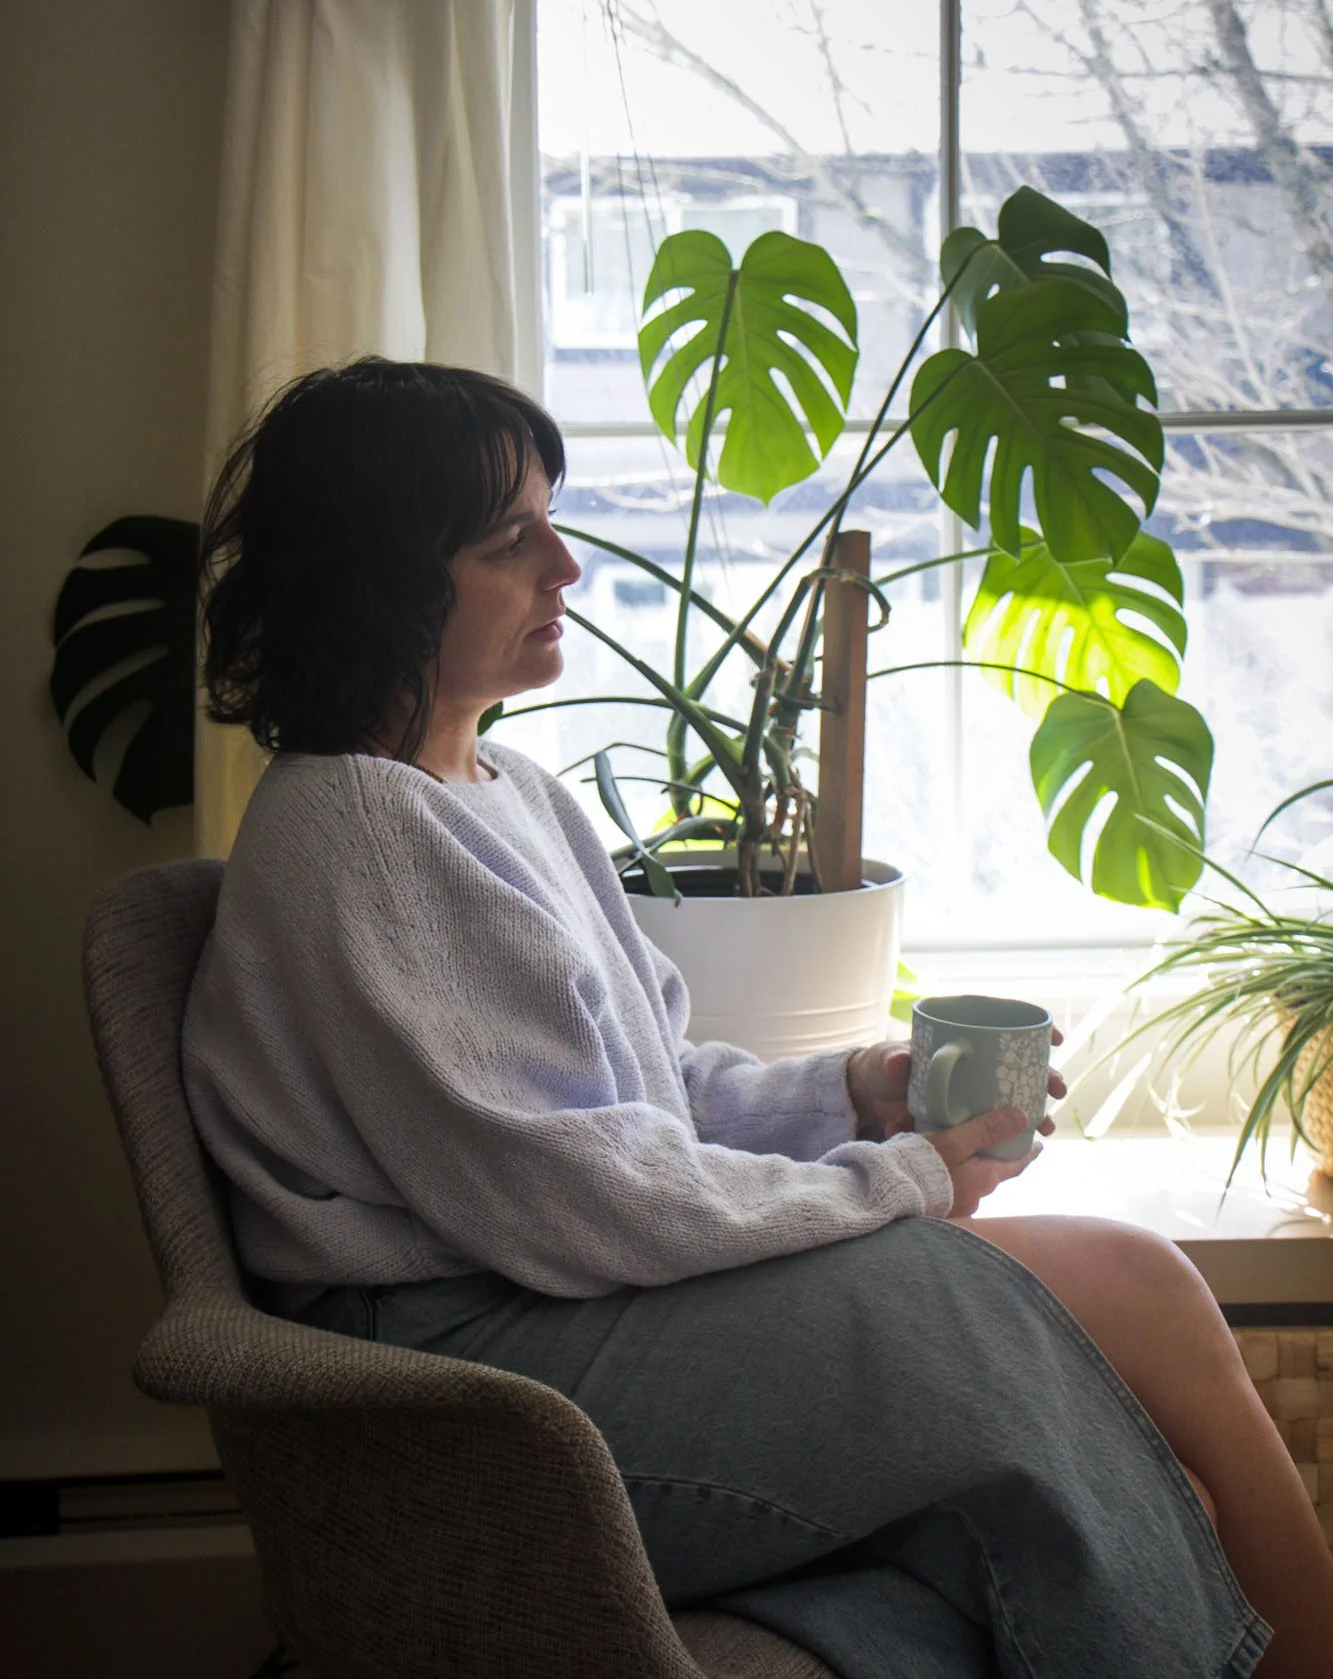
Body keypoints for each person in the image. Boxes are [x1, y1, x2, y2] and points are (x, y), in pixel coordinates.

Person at [184, 356, 1331, 1677]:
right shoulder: (358, 829)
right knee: (1036, 1321)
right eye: (514, 541)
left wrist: (850, 1092)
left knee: (1127, 1303)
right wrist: (894, 1179)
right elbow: (573, 1198)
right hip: (463, 1382)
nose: (564, 565)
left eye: (551, 521)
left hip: (550, 1303)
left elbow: (639, 1095)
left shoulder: (508, 790)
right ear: (381, 577)